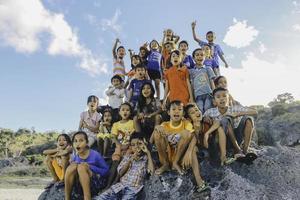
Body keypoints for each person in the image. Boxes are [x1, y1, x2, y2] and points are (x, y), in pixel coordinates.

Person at [94, 132, 155, 200]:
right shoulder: (128, 157)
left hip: (133, 190)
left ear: (144, 144)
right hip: (119, 187)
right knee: (100, 198)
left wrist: (148, 153)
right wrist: (130, 160)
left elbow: (152, 172)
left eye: (139, 144)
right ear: (130, 147)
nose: (136, 147)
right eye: (133, 145)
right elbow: (120, 173)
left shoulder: (146, 159)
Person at [203, 88, 258, 157]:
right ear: (214, 101)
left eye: (224, 96)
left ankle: (245, 151)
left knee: (249, 119)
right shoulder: (210, 111)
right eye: (218, 97)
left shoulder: (234, 108)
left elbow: (255, 112)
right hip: (223, 141)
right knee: (226, 119)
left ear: (228, 98)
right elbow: (202, 118)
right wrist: (205, 118)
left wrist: (237, 114)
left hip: (237, 137)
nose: (222, 99)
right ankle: (237, 150)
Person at [152, 100, 194, 175]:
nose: (176, 111)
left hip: (179, 157)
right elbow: (158, 129)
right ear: (168, 112)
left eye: (179, 109)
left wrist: (172, 134)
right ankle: (165, 164)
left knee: (187, 133)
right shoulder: (165, 124)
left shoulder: (186, 123)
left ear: (183, 113)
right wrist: (158, 127)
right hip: (166, 156)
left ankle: (175, 163)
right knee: (157, 132)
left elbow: (190, 134)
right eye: (173, 109)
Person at [64, 131, 109, 200]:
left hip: (95, 184)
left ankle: (87, 198)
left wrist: (90, 166)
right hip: (80, 185)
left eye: (81, 140)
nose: (78, 144)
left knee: (82, 167)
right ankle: (67, 198)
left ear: (87, 143)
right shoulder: (75, 157)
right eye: (75, 141)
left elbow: (106, 171)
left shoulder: (95, 155)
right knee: (72, 167)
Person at [106, 102, 136, 188]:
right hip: (119, 147)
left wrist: (128, 144)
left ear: (130, 112)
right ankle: (108, 185)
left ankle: (115, 182)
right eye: (123, 110)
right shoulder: (116, 124)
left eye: (127, 110)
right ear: (119, 112)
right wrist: (119, 145)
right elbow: (113, 137)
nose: (125, 112)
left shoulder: (132, 122)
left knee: (125, 163)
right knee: (115, 162)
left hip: (129, 147)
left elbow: (134, 135)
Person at [190, 48, 216, 113]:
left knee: (207, 108)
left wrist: (214, 96)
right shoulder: (191, 71)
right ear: (193, 58)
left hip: (208, 94)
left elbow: (212, 82)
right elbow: (192, 85)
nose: (199, 56)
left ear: (205, 57)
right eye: (197, 55)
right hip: (198, 96)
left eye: (202, 55)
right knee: (200, 110)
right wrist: (192, 98)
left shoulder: (208, 68)